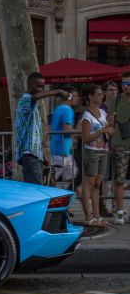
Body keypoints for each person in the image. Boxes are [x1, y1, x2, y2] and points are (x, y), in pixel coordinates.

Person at [14, 72, 69, 185]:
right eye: (39, 86)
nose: (42, 89)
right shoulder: (25, 100)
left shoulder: (33, 106)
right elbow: (35, 97)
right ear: (30, 85)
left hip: (34, 155)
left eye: (43, 87)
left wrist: (44, 156)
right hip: (29, 156)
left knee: (35, 190)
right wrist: (58, 91)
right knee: (37, 191)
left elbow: (34, 137)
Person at [80, 84, 115, 226]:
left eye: (102, 94)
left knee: (97, 184)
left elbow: (108, 131)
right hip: (91, 151)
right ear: (90, 96)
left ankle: (97, 216)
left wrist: (110, 125)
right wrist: (102, 131)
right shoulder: (87, 116)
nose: (102, 96)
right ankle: (88, 217)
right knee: (88, 185)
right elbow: (86, 138)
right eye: (99, 94)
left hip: (103, 151)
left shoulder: (103, 112)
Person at [49, 86, 79, 189]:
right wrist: (82, 133)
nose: (77, 98)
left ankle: (67, 201)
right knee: (51, 182)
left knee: (76, 180)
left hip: (63, 151)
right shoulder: (67, 110)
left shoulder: (59, 109)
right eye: (75, 96)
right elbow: (67, 131)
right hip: (60, 152)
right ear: (68, 97)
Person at [111, 73, 130, 224]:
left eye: (128, 84)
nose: (125, 86)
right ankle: (119, 212)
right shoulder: (117, 100)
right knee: (119, 180)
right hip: (120, 146)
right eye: (123, 83)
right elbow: (110, 120)